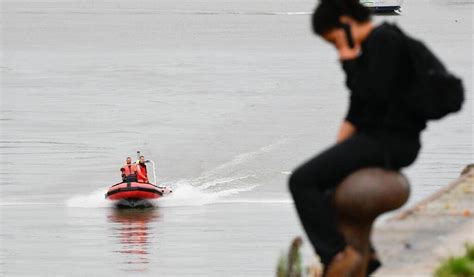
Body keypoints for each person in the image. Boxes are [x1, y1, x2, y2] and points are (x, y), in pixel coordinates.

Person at [289, 0, 427, 275]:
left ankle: (337, 254)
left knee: (301, 181)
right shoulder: (378, 44)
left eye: (334, 40)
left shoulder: (382, 43)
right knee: (325, 186)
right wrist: (339, 154)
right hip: (387, 140)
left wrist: (350, 65)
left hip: (391, 142)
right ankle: (366, 252)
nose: (336, 48)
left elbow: (373, 99)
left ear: (345, 23)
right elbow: (357, 110)